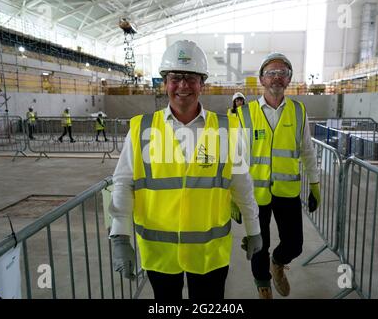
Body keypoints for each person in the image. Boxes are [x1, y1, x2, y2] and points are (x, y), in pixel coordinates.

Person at [108, 39, 262, 300]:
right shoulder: (142, 128)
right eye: (175, 77)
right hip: (160, 252)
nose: (183, 85)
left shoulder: (227, 129)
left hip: (209, 253)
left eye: (191, 78)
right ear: (165, 82)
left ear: (202, 83)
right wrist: (120, 236)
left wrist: (254, 228)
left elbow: (242, 184)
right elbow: (124, 183)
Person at [236, 52, 321, 299]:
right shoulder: (246, 113)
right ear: (261, 79)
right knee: (258, 243)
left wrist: (315, 183)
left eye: (282, 73)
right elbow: (237, 158)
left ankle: (278, 263)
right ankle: (263, 285)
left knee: (294, 244)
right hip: (255, 192)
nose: (276, 77)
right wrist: (233, 195)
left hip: (287, 191)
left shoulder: (298, 111)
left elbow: (307, 150)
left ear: (289, 79)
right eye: (271, 73)